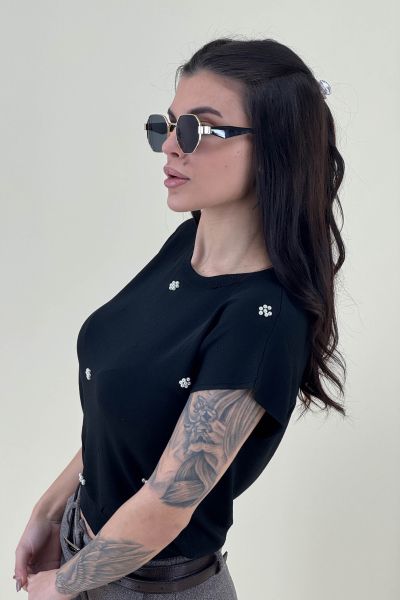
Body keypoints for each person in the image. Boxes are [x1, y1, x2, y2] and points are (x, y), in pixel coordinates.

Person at [14, 36, 347, 599]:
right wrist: (48, 512)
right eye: (167, 125)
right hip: (83, 552)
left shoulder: (262, 317)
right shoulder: (185, 246)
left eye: (199, 128)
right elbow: (125, 417)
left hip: (148, 587)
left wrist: (63, 585)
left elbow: (170, 500)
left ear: (276, 145)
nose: (170, 145)